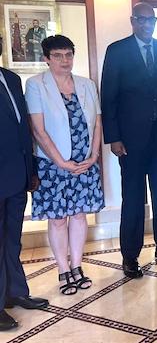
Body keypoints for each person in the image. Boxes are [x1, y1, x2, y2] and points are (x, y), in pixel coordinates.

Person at [101, 2, 157, 279]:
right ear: (133, 21)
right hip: (131, 141)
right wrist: (113, 137)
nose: (147, 24)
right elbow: (108, 97)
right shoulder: (117, 51)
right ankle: (130, 255)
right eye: (142, 19)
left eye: (151, 20)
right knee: (134, 198)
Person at [25, 35, 104, 295]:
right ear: (46, 59)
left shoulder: (87, 84)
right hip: (53, 165)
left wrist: (93, 156)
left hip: (84, 163)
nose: (64, 60)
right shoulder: (36, 85)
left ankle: (77, 266)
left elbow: (97, 123)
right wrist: (61, 162)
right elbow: (38, 130)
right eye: (58, 56)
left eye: (68, 54)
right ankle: (63, 269)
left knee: (80, 215)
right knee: (58, 219)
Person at [0, 59, 48, 331]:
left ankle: (15, 292)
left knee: (12, 239)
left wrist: (31, 169)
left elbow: (22, 129)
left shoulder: (11, 79)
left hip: (17, 175)